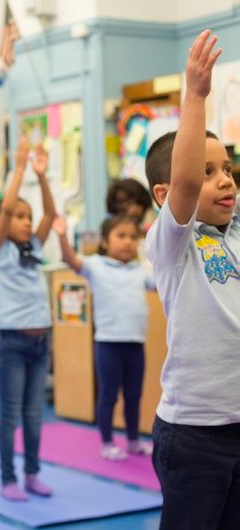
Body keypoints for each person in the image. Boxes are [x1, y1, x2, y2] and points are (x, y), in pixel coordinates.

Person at [144, 30, 240, 529]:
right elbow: (183, 183)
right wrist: (196, 95)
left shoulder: (236, 229)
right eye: (209, 172)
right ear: (165, 195)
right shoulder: (173, 243)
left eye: (227, 168)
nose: (225, 179)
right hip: (194, 433)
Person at [0, 135, 56, 501]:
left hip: (41, 341)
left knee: (35, 415)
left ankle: (32, 474)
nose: (26, 223)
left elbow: (51, 215)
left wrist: (42, 177)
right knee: (10, 415)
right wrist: (21, 166)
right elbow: (7, 209)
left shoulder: (35, 247)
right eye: (20, 217)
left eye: (29, 217)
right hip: (13, 341)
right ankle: (8, 478)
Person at [54, 214, 154, 460]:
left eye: (133, 237)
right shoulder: (95, 265)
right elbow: (70, 260)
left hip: (135, 343)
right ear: (105, 242)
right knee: (109, 394)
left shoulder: (140, 270)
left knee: (133, 395)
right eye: (121, 236)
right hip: (108, 344)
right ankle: (107, 442)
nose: (128, 242)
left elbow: (163, 281)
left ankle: (132, 440)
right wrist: (62, 235)